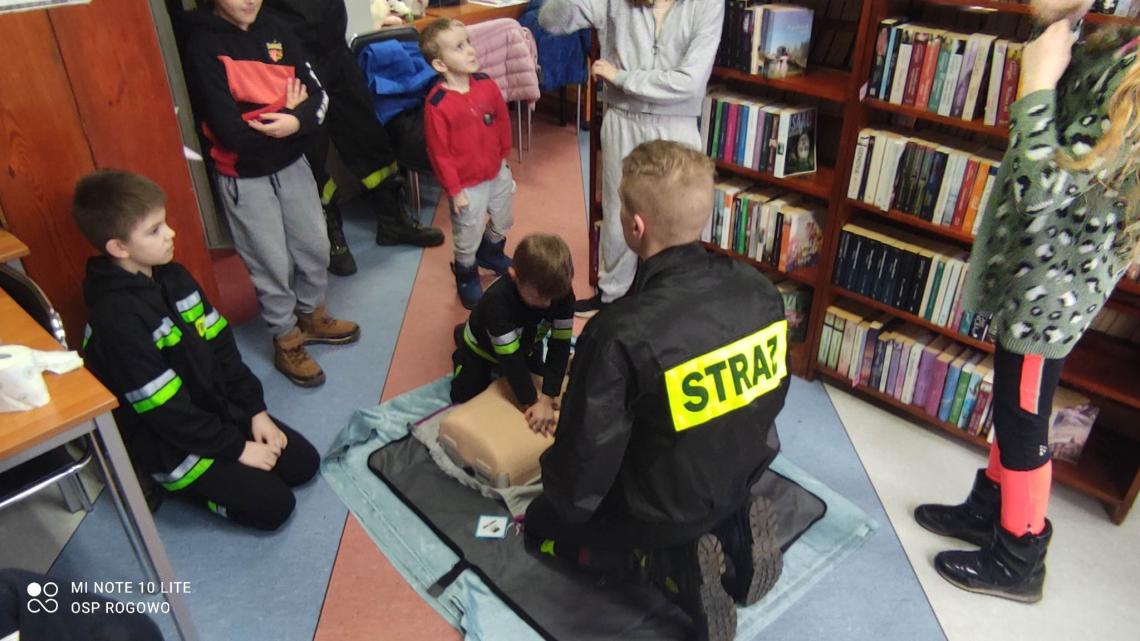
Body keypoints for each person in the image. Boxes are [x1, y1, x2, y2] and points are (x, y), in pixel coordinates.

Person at [914, 0, 1140, 603]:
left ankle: (1019, 554)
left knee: (1024, 422)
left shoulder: (1131, 82)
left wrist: (1036, 87)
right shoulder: (1110, 46)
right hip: (1034, 279)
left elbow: (1046, 196)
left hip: (1052, 294)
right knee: (1016, 408)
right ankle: (989, 509)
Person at [524, 141, 788, 641]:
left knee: (542, 526)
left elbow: (584, 469)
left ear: (634, 226)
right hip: (741, 470)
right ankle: (731, 524)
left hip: (659, 506)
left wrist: (554, 491)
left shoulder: (616, 332)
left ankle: (668, 568)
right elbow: (771, 396)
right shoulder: (760, 290)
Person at [73, 170, 320, 531]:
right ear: (118, 248)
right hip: (171, 442)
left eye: (165, 223)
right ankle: (179, 489)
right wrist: (237, 449)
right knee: (274, 507)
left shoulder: (173, 277)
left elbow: (224, 350)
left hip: (215, 411)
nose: (170, 233)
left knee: (303, 464)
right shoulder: (116, 319)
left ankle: (234, 456)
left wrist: (255, 412)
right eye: (154, 230)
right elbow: (166, 412)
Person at [183, 0, 360, 387]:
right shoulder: (201, 43)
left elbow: (318, 98)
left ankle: (312, 315)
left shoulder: (278, 28)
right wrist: (288, 108)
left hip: (293, 164)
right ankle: (287, 338)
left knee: (314, 246)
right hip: (243, 176)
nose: (248, 1)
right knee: (270, 263)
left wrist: (295, 119)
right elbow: (228, 131)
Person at [539, 0, 724, 317]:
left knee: (677, 218)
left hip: (677, 123)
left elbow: (689, 81)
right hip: (623, 119)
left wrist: (623, 78)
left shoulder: (707, 3)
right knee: (618, 212)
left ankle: (670, 306)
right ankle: (611, 300)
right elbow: (551, 21)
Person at [263, 0, 444, 278]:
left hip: (336, 53)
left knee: (368, 134)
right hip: (291, 62)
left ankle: (392, 221)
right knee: (311, 153)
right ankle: (330, 237)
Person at [420, 17, 516, 309]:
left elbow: (501, 120)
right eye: (459, 47)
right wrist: (454, 190)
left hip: (496, 170)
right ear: (440, 65)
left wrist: (503, 157)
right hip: (466, 185)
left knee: (504, 218)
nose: (470, 50)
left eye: (468, 43)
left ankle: (491, 251)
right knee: (467, 233)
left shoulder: (486, 85)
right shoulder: (437, 104)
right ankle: (466, 273)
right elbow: (439, 153)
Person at [451, 234, 575, 434]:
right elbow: (510, 359)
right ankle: (461, 343)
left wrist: (548, 396)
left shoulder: (562, 294)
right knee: (462, 397)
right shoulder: (497, 302)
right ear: (514, 275)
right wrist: (531, 402)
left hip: (528, 344)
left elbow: (560, 344)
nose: (548, 304)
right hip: (482, 350)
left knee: (545, 380)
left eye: (554, 297)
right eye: (539, 296)